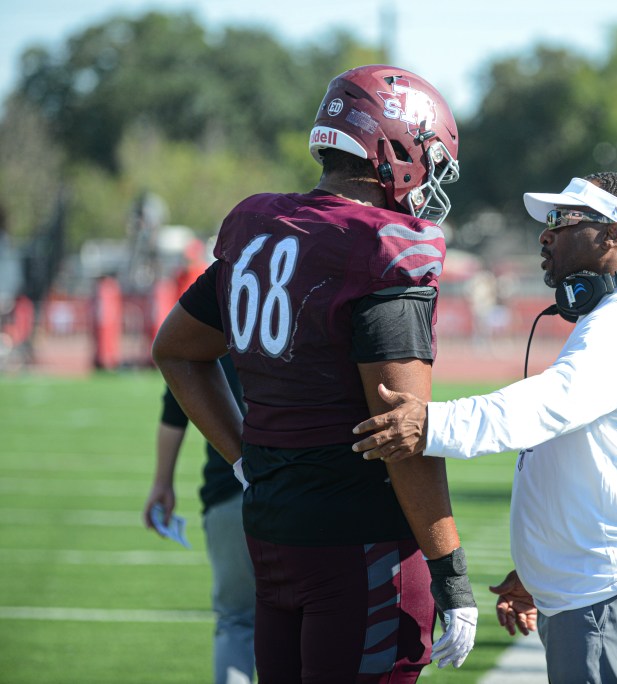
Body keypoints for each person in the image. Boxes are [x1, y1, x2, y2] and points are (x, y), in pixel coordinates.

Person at [151, 64, 477, 683]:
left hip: (273, 533)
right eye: (428, 155)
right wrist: (451, 572)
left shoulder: (262, 227)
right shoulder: (381, 250)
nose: (430, 176)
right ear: (396, 148)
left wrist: (245, 458)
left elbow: (177, 349)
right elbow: (402, 435)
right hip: (362, 544)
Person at [352, 172, 617, 683]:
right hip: (599, 582)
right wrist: (541, 567)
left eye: (563, 221)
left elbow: (546, 406)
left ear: (613, 235)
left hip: (615, 586)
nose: (546, 234)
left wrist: (430, 423)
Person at [143, 354, 256, 684]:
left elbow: (177, 395)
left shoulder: (218, 314)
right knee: (306, 622)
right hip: (301, 493)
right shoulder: (311, 307)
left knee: (236, 620)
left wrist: (162, 482)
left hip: (230, 491)